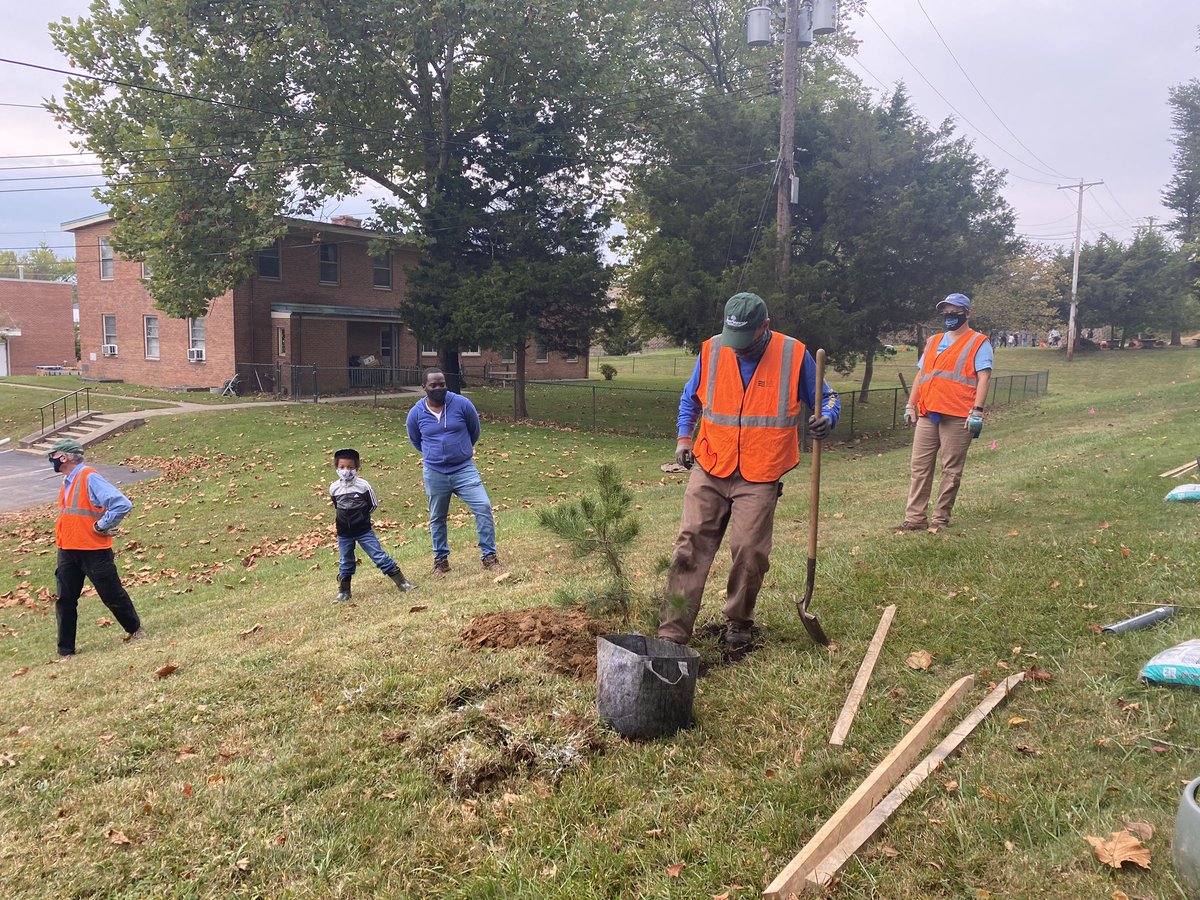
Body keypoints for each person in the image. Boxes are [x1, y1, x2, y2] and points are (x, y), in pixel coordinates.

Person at [659, 292, 840, 647]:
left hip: (761, 472)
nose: (737, 348)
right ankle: (672, 632)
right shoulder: (713, 350)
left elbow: (828, 398)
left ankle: (738, 623)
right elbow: (690, 397)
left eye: (746, 340)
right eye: (733, 339)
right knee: (689, 545)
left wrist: (826, 418)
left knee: (749, 552)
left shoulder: (793, 354)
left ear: (765, 328)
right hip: (711, 464)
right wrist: (684, 438)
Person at [898, 293, 993, 532]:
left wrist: (977, 412)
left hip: (959, 415)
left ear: (967, 314)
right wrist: (911, 404)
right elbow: (922, 375)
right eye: (946, 312)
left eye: (955, 312)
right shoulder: (933, 341)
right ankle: (915, 519)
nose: (950, 316)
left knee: (950, 470)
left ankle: (940, 519)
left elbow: (984, 377)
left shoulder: (978, 342)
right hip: (928, 413)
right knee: (919, 467)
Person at [48, 437, 145, 657]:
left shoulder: (89, 477)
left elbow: (122, 504)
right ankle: (65, 651)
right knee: (65, 601)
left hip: (93, 551)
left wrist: (102, 526)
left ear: (63, 457)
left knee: (111, 594)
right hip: (67, 550)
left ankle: (135, 629)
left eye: (52, 456)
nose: (51, 460)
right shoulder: (68, 481)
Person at [406, 367, 500, 574]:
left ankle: (489, 556)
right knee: (437, 517)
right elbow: (416, 440)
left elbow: (474, 431)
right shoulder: (416, 413)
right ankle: (441, 561)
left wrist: (460, 450)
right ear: (424, 388)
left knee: (483, 507)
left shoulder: (462, 404)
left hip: (464, 469)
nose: (438, 388)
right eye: (433, 385)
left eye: (442, 384)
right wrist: (435, 455)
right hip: (435, 472)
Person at [328, 447, 416, 602]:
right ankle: (344, 591)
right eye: (342, 467)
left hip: (364, 531)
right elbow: (337, 505)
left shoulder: (364, 486)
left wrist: (362, 517)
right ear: (336, 468)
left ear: (357, 468)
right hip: (344, 533)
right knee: (345, 561)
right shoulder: (334, 488)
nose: (346, 470)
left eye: (350, 467)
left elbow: (373, 504)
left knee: (378, 555)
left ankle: (402, 583)